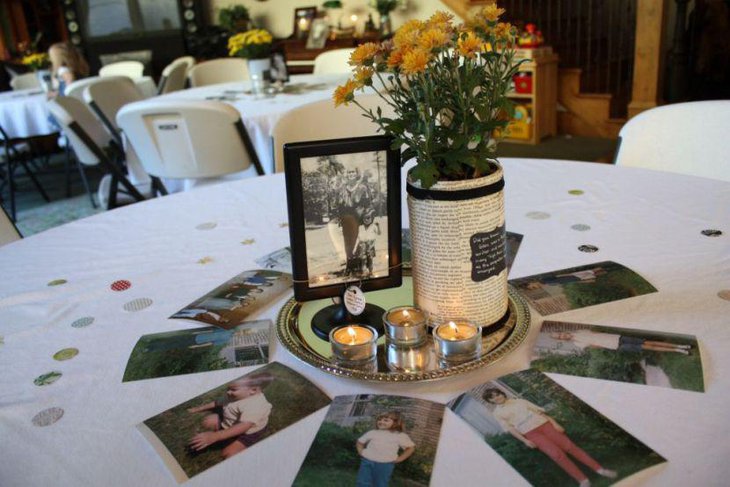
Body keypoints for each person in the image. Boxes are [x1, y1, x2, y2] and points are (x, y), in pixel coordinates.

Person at [483, 388, 617, 487]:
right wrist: (525, 441)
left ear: (502, 393)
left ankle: (600, 470)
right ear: (490, 401)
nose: (497, 397)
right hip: (532, 434)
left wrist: (555, 424)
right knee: (557, 455)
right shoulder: (498, 413)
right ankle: (583, 480)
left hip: (546, 425)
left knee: (571, 448)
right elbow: (511, 429)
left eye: (497, 394)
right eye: (492, 397)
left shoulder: (520, 401)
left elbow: (541, 413)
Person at [188, 372, 274, 458]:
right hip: (232, 420)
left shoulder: (255, 405)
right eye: (228, 389)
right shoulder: (234, 396)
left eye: (233, 389)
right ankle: (225, 429)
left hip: (247, 432)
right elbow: (217, 403)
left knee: (229, 454)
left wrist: (216, 436)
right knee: (208, 421)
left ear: (253, 390)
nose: (228, 392)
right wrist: (197, 409)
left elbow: (244, 426)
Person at [356, 411, 415, 487]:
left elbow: (410, 448)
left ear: (396, 423)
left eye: (386, 420)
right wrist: (361, 452)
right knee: (362, 482)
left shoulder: (400, 435)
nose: (381, 422)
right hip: (368, 461)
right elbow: (360, 442)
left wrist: (400, 459)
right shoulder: (373, 432)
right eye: (379, 419)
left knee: (380, 484)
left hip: (385, 464)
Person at [336, 167, 372, 276]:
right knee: (347, 243)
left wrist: (366, 219)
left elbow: (368, 204)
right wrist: (339, 218)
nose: (350, 174)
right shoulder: (342, 188)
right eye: (349, 172)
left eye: (352, 171)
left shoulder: (363, 188)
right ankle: (349, 266)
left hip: (358, 219)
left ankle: (358, 266)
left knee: (358, 243)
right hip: (346, 219)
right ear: (346, 174)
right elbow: (339, 205)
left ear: (357, 174)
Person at [551, 329, 691, 355]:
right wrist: (611, 346)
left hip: (616, 337)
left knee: (648, 342)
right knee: (648, 347)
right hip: (616, 346)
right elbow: (596, 346)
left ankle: (681, 346)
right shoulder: (577, 344)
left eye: (561, 334)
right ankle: (679, 350)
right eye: (560, 337)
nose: (562, 336)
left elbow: (596, 334)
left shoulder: (580, 331)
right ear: (561, 339)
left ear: (563, 332)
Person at [355, 208, 381, 276]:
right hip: (362, 245)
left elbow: (379, 233)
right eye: (365, 218)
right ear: (362, 219)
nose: (366, 220)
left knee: (370, 259)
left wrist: (378, 227)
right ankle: (363, 272)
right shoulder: (360, 227)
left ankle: (370, 271)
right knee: (363, 259)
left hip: (371, 245)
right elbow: (358, 237)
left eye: (368, 218)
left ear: (371, 218)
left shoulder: (374, 226)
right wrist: (356, 247)